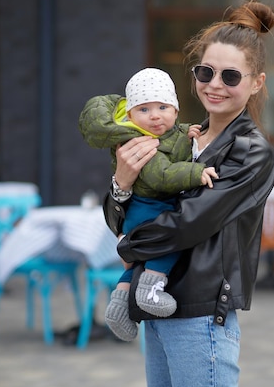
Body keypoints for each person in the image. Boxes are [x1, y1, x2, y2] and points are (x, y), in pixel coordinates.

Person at [97, 0, 274, 387]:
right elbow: (117, 214)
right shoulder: (177, 140)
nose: (215, 83)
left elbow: (187, 224)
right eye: (205, 71)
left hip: (201, 317)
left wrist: (127, 246)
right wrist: (121, 183)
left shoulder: (249, 151)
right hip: (157, 310)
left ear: (256, 82)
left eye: (230, 75)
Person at [78, 67, 218, 341]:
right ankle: (150, 291)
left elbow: (174, 139)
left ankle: (120, 301)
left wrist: (185, 132)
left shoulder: (169, 133)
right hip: (150, 210)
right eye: (144, 110)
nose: (155, 115)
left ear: (176, 111)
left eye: (163, 107)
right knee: (168, 244)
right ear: (130, 117)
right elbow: (161, 175)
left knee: (137, 264)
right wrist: (194, 173)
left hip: (142, 210)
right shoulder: (141, 142)